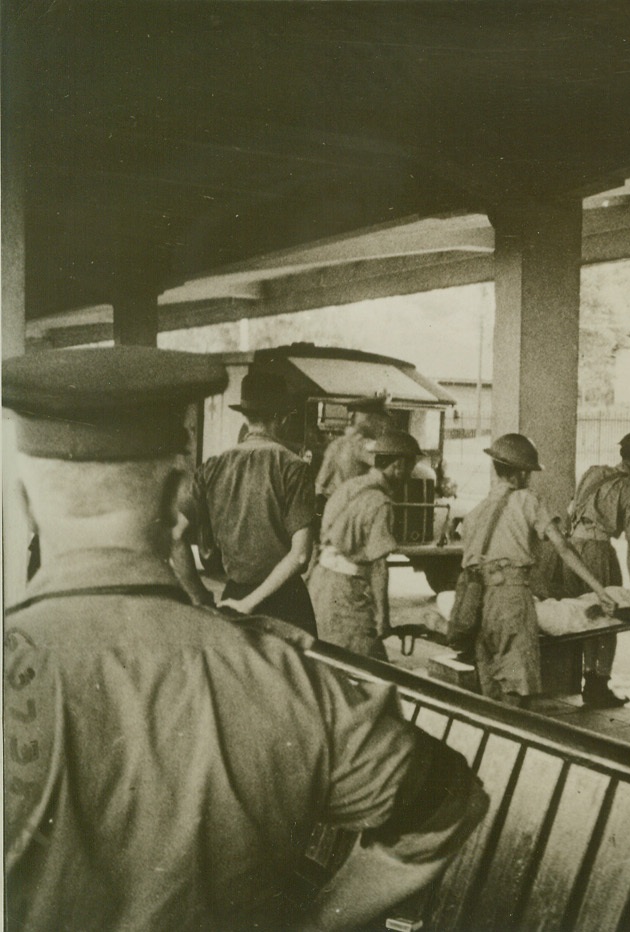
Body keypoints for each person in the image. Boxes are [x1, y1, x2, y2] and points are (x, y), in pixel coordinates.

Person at [2, 346, 488, 931]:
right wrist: (320, 922)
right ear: (181, 500)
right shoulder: (285, 675)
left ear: (25, 506)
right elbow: (445, 802)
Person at [462, 433, 616, 707]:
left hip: (480, 603)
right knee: (517, 689)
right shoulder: (528, 501)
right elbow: (564, 548)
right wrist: (599, 589)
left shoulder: (476, 512)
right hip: (512, 601)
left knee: (491, 688)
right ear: (521, 474)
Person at [172, 368, 318, 634]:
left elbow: (175, 535)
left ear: (246, 418)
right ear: (283, 419)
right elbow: (300, 556)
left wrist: (199, 596)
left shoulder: (213, 468)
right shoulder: (294, 468)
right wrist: (251, 603)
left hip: (233, 600)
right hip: (286, 605)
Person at [310, 430, 421, 660]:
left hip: (319, 585)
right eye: (410, 468)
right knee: (367, 667)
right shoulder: (380, 503)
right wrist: (383, 617)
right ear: (398, 465)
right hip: (345, 593)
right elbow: (379, 567)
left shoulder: (349, 487)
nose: (409, 475)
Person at [561, 431, 630, 707]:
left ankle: (587, 681)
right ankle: (598, 685)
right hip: (598, 553)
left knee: (583, 615)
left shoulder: (592, 473)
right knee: (607, 617)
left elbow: (571, 509)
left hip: (573, 551)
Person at [316, 395, 392, 512]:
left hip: (332, 508)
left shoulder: (336, 444)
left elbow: (320, 484)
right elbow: (388, 468)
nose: (382, 426)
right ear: (369, 420)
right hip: (355, 509)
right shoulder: (365, 444)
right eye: (380, 421)